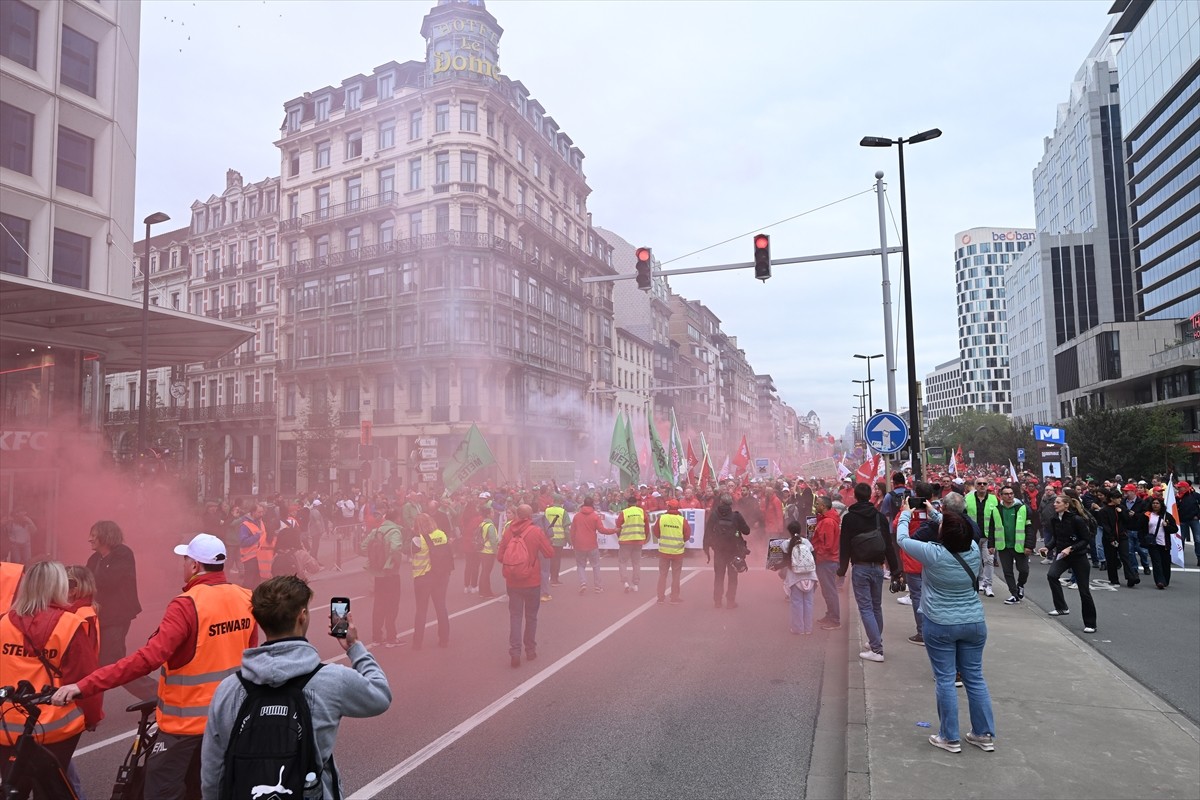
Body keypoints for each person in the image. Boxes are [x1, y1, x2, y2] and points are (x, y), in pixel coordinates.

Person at [52, 533, 257, 800]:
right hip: (229, 718)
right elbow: (249, 656)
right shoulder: (245, 597)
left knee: (160, 789)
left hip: (185, 727)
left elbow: (147, 659)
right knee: (211, 788)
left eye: (185, 560)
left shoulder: (187, 604)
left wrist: (84, 685)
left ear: (194, 566)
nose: (182, 565)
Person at [200, 575, 391, 799]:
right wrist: (353, 646)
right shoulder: (331, 679)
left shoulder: (229, 689)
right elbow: (380, 695)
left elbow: (213, 772)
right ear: (302, 617)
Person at [897, 505, 997, 754]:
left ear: (943, 533)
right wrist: (935, 511)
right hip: (974, 621)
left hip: (940, 622)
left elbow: (901, 538)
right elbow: (958, 529)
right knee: (975, 678)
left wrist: (907, 513)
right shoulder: (973, 549)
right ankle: (983, 734)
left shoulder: (932, 553)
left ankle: (949, 736)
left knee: (945, 679)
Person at [0, 561, 102, 775]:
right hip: (55, 729)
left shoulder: (3, 624)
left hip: (6, 726)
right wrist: (92, 717)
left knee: (13, 787)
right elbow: (85, 680)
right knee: (51, 789)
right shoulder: (69, 625)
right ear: (59, 586)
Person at [837, 482, 900, 662]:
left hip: (860, 567)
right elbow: (888, 545)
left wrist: (841, 570)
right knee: (875, 606)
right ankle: (875, 639)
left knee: (865, 607)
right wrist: (895, 569)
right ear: (870, 496)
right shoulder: (879, 517)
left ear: (855, 496)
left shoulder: (849, 518)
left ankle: (876, 649)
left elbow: (845, 546)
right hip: (878, 567)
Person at [497, 504, 552, 667]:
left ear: (517, 515)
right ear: (530, 516)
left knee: (515, 617)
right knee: (531, 616)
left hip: (513, 582)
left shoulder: (508, 532)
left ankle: (515, 651)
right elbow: (550, 553)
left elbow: (500, 557)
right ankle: (530, 650)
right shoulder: (536, 531)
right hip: (532, 580)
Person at [84, 519, 142, 665]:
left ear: (105, 536)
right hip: (100, 616)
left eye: (93, 535)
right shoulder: (94, 558)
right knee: (105, 661)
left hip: (116, 616)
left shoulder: (123, 554)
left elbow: (109, 581)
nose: (89, 539)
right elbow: (85, 581)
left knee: (114, 662)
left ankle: (150, 688)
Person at [1042, 495, 1098, 634]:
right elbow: (1056, 538)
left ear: (1066, 505)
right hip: (1062, 556)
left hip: (1078, 557)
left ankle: (1091, 623)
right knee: (1052, 575)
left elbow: (1085, 540)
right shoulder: (1054, 519)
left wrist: (1071, 548)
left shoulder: (1076, 519)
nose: (1055, 504)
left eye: (1058, 502)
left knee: (1084, 591)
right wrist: (1047, 547)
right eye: (1055, 502)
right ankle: (1061, 607)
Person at [361, 507, 405, 647]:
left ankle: (376, 637)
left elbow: (363, 547)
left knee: (379, 605)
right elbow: (396, 549)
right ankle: (391, 638)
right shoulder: (395, 531)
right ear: (397, 518)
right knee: (392, 606)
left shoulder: (376, 531)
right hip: (391, 573)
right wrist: (394, 562)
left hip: (378, 574)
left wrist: (374, 559)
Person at [410, 512, 452, 649]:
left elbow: (407, 551)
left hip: (423, 576)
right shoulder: (441, 534)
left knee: (421, 610)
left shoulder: (418, 539)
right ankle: (444, 639)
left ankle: (417, 642)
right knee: (441, 606)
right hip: (441, 575)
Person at [703, 493, 751, 609]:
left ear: (720, 502)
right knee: (733, 576)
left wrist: (707, 549)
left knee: (719, 576)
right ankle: (730, 601)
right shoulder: (736, 516)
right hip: (733, 551)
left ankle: (717, 601)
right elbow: (747, 531)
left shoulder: (714, 515)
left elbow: (707, 532)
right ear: (731, 504)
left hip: (719, 550)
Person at [993, 485, 1033, 604]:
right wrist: (991, 544)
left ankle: (1020, 585)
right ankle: (1014, 594)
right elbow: (992, 528)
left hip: (1019, 546)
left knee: (1024, 570)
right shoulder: (997, 509)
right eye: (1006, 494)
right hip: (1004, 546)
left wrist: (1029, 545)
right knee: (1007, 571)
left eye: (1011, 493)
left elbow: (1030, 528)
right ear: (1001, 496)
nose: (1009, 496)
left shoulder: (1022, 508)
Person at [569, 496, 613, 594]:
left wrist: (572, 542)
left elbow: (572, 531)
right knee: (596, 565)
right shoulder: (594, 516)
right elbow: (602, 530)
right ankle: (598, 586)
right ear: (592, 504)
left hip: (579, 544)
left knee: (580, 565)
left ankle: (583, 582)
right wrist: (614, 530)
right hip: (592, 544)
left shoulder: (577, 516)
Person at [811, 495, 842, 630]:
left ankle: (834, 619)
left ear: (823, 506)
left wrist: (817, 555)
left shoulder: (827, 522)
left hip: (826, 560)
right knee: (827, 590)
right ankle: (830, 615)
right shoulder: (826, 520)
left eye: (817, 504)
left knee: (829, 590)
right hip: (826, 560)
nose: (815, 506)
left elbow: (827, 545)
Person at [964, 480, 1000, 597]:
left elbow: (998, 519)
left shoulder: (994, 499)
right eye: (979, 484)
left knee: (989, 560)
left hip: (989, 536)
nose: (982, 486)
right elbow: (963, 515)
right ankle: (979, 581)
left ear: (988, 486)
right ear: (975, 486)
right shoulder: (968, 498)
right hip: (973, 535)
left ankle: (988, 585)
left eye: (984, 484)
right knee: (977, 560)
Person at [1096, 489, 1138, 588]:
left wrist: (1122, 512)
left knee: (1125, 556)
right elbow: (1105, 526)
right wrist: (1111, 539)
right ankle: (1113, 578)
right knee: (1111, 558)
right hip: (1109, 538)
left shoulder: (1121, 508)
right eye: (1117, 498)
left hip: (1122, 536)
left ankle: (1131, 577)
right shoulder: (1104, 511)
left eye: (1120, 497)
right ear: (1111, 499)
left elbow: (1127, 520)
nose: (1120, 500)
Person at [783, 521, 818, 635]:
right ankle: (808, 628)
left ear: (789, 531)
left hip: (795, 577)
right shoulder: (807, 542)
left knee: (796, 603)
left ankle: (798, 628)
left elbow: (786, 562)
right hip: (810, 576)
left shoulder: (785, 544)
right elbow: (814, 558)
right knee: (808, 603)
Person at [653, 499, 691, 604]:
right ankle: (674, 597)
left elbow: (656, 532)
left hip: (664, 551)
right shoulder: (681, 520)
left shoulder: (662, 518)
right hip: (677, 552)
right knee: (676, 575)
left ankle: (660, 597)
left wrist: (663, 538)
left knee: (662, 575)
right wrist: (680, 541)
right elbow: (687, 535)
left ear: (669, 507)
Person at [614, 494, 649, 593]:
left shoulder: (624, 512)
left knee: (622, 562)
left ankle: (625, 582)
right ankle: (636, 584)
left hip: (625, 540)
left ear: (628, 503)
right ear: (636, 503)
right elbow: (646, 527)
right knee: (636, 563)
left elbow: (618, 527)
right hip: (638, 540)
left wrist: (620, 537)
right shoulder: (641, 512)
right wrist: (644, 538)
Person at [1142, 495, 1178, 590]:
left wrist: (1167, 526)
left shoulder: (1167, 516)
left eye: (1157, 503)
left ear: (1161, 505)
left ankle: (1165, 580)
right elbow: (1142, 527)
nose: (1155, 505)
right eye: (1153, 503)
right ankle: (1159, 581)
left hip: (1164, 543)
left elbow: (1175, 529)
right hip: (1153, 543)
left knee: (1165, 563)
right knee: (1156, 562)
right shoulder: (1147, 515)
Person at [544, 495, 571, 587]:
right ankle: (554, 579)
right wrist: (569, 540)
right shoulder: (563, 512)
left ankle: (547, 577)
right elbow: (566, 529)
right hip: (559, 539)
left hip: (548, 538)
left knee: (549, 559)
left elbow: (544, 524)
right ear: (560, 502)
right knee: (556, 559)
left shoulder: (547, 510)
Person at [239, 504, 267, 589]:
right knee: (249, 581)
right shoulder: (245, 525)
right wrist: (256, 536)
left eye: (262, 512)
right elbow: (243, 542)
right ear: (253, 512)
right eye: (259, 512)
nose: (261, 514)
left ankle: (253, 599)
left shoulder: (260, 521)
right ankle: (244, 598)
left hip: (259, 556)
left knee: (256, 580)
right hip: (250, 557)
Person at [476, 504, 501, 599]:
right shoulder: (490, 526)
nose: (493, 514)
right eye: (492, 512)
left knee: (484, 571)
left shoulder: (482, 524)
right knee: (486, 572)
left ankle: (482, 591)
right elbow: (493, 540)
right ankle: (486, 592)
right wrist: (496, 552)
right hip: (488, 551)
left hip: (482, 550)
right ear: (489, 514)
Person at [1176, 480, 1200, 566]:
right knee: (1180, 539)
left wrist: (1198, 515)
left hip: (1194, 519)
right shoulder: (1177, 497)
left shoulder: (1195, 495)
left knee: (1198, 539)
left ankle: (1199, 557)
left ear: (1185, 487)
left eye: (1180, 487)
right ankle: (1179, 557)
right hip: (1182, 520)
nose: (1178, 489)